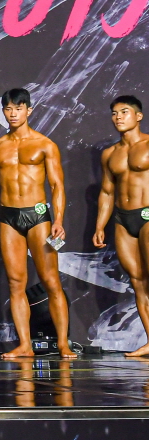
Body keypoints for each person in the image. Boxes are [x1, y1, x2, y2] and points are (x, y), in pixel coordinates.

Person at [0, 87, 74, 360]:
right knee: (15, 282)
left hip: (38, 216)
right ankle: (25, 345)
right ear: (3, 111)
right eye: (8, 109)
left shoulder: (45, 144)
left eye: (18, 108)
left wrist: (59, 220)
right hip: (9, 218)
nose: (13, 113)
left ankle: (63, 344)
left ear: (29, 110)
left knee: (51, 280)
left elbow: (57, 185)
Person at [94, 95, 149, 358]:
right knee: (138, 282)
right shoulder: (110, 154)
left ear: (138, 116)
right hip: (123, 220)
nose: (118, 117)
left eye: (124, 112)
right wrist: (99, 225)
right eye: (114, 113)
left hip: (147, 214)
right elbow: (107, 192)